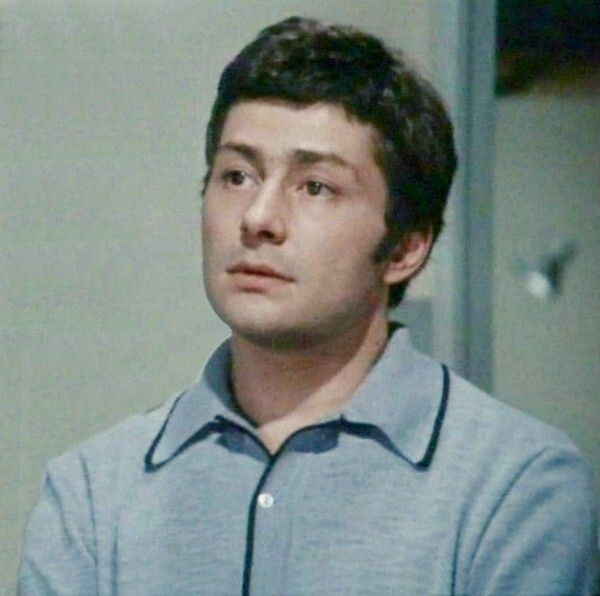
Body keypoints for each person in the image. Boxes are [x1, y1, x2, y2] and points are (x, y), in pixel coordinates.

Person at [20, 16, 598, 596]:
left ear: (405, 248)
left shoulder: (515, 484)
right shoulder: (94, 492)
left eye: (315, 187)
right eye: (237, 176)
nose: (258, 218)